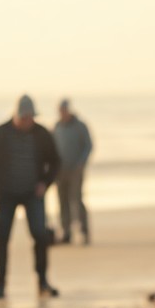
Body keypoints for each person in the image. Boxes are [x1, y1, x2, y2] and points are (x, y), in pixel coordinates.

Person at [0, 95, 61, 300]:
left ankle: (42, 281)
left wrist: (45, 182)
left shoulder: (41, 133)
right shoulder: (1, 133)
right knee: (1, 239)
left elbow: (55, 162)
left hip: (33, 194)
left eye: (31, 117)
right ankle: (0, 285)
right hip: (5, 194)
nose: (28, 121)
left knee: (40, 235)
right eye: (25, 117)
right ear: (16, 115)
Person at [52, 98, 93, 245]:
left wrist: (81, 163)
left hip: (76, 170)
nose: (62, 113)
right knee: (62, 201)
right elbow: (51, 148)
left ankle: (84, 231)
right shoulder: (56, 127)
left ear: (69, 110)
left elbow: (88, 146)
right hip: (60, 171)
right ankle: (66, 232)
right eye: (60, 110)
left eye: (64, 110)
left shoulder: (80, 126)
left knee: (76, 200)